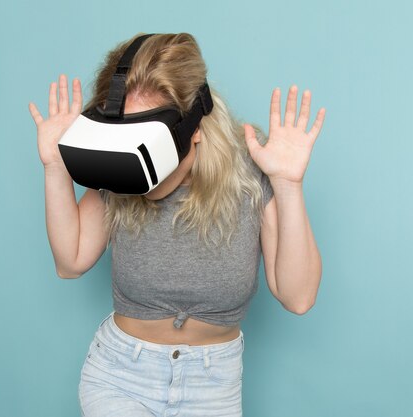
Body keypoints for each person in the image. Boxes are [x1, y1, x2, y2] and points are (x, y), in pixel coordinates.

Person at [28, 32, 325, 417]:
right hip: (121, 376)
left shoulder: (252, 169)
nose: (135, 163)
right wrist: (54, 167)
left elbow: (297, 296)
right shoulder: (118, 176)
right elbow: (70, 262)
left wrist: (287, 185)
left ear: (194, 129)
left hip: (213, 384)